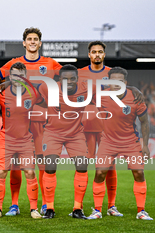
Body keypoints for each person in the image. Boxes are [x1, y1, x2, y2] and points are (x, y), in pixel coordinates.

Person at [0, 27, 62, 216]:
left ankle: (45, 204)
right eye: (29, 39)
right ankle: (14, 204)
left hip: (43, 123)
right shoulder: (14, 63)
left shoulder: (51, 63)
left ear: (40, 43)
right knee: (15, 165)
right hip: (18, 124)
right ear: (24, 42)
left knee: (42, 165)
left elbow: (67, 80)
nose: (33, 42)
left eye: (36, 39)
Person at [79, 41, 143, 216]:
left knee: (109, 167)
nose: (97, 55)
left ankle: (111, 206)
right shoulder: (80, 74)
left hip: (108, 127)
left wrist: (132, 88)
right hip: (86, 125)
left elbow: (121, 87)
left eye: (100, 52)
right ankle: (78, 207)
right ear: (89, 54)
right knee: (82, 165)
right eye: (94, 52)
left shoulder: (111, 73)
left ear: (104, 55)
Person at [87, 67, 153, 220]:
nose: (116, 84)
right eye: (113, 81)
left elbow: (145, 121)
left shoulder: (135, 97)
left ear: (125, 82)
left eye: (120, 81)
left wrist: (145, 145)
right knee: (100, 173)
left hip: (131, 141)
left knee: (139, 173)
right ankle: (97, 210)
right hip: (108, 141)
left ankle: (141, 211)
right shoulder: (101, 96)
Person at [0, 62, 44, 219]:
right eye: (14, 75)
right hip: (6, 139)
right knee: (1, 172)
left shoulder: (33, 92)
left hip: (26, 140)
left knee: (30, 172)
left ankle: (34, 209)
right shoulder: (1, 93)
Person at [41, 65, 92, 219]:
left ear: (78, 79)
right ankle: (49, 208)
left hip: (76, 134)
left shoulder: (87, 88)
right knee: (50, 166)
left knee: (82, 165)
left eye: (72, 79)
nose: (69, 82)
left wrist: (130, 88)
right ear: (59, 80)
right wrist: (8, 84)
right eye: (65, 79)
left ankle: (77, 209)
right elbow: (28, 85)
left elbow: (109, 87)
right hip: (52, 133)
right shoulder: (49, 88)